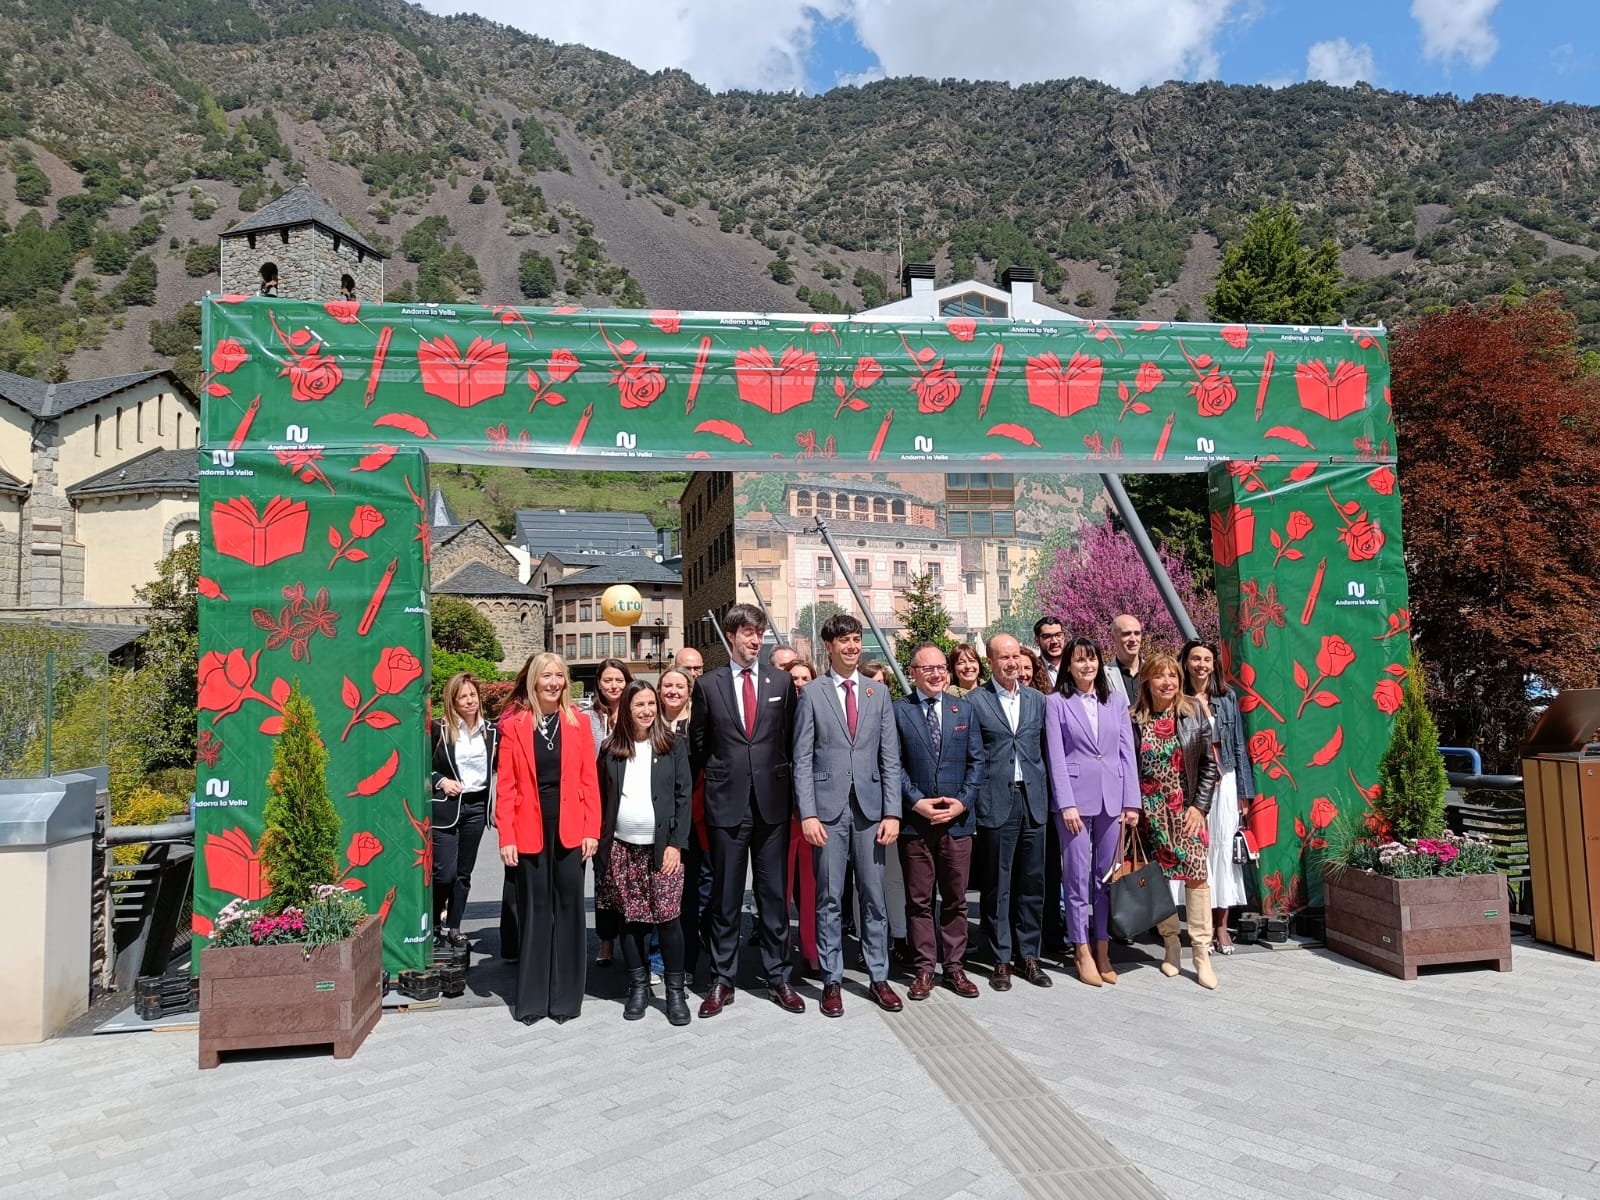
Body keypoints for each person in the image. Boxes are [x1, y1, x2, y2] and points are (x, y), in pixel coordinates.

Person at [688, 603, 806, 1016]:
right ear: (731, 636)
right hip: (727, 805)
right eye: (748, 633)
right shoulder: (709, 685)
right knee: (725, 897)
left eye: (760, 634)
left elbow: (790, 741)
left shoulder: (780, 681)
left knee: (773, 896)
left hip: (772, 805)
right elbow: (699, 745)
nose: (756, 641)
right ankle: (722, 979)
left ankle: (778, 977)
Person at [793, 612, 904, 1016]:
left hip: (872, 812)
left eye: (856, 639)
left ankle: (879, 976)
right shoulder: (812, 694)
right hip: (827, 813)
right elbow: (802, 759)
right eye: (844, 640)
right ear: (829, 646)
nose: (852, 647)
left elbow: (889, 758)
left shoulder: (878, 693)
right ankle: (832, 979)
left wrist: (892, 812)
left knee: (874, 897)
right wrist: (808, 814)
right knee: (829, 898)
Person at [497, 653, 600, 1024]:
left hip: (571, 827)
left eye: (559, 675)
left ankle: (566, 1000)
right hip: (529, 828)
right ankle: (532, 1001)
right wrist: (506, 836)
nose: (554, 682)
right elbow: (506, 786)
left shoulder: (579, 723)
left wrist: (591, 830)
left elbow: (590, 780)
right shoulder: (515, 726)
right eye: (546, 676)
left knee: (570, 910)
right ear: (534, 681)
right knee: (535, 911)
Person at [1043, 639, 1141, 987]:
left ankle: (1102, 947)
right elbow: (1055, 757)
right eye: (1079, 660)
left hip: (1112, 797)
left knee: (1106, 877)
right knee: (1076, 876)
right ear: (1068, 666)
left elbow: (1127, 753)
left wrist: (1132, 801)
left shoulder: (1115, 701)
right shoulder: (1056, 702)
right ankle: (1080, 948)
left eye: (1092, 659)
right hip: (1074, 800)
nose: (1087, 666)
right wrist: (1065, 803)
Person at [596, 681, 693, 1024]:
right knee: (631, 922)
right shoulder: (611, 749)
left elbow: (683, 797)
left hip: (663, 850)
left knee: (668, 921)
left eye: (651, 703)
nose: (647, 710)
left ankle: (675, 992)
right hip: (622, 849)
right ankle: (637, 986)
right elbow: (601, 797)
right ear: (627, 708)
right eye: (639, 704)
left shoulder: (673, 745)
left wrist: (676, 844)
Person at [894, 642, 986, 1000]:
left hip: (957, 822)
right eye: (927, 668)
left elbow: (977, 762)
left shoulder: (964, 709)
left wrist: (962, 803)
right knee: (919, 900)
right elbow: (893, 764)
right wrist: (916, 802)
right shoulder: (898, 711)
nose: (936, 674)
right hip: (915, 823)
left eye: (940, 668)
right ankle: (923, 968)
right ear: (912, 672)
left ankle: (954, 967)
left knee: (955, 899)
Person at [964, 633, 1053, 991]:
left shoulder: (1037, 700)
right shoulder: (974, 702)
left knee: (1032, 882)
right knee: (997, 885)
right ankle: (1000, 958)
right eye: (1004, 657)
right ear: (990, 662)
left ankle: (1029, 955)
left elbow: (1046, 750)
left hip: (1033, 800)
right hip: (996, 801)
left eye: (1016, 656)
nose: (1012, 663)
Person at [1132, 652, 1220, 989]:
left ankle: (1201, 953)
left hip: (1188, 812)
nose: (1167, 682)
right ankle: (1171, 945)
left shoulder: (1193, 712)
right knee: (1160, 879)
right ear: (1147, 681)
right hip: (1151, 813)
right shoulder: (1134, 718)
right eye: (1159, 676)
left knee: (1197, 877)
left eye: (1172, 676)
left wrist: (1200, 807)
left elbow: (1209, 766)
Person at [1180, 638, 1255, 955]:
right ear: (1186, 662)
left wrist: (1244, 792)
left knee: (1223, 851)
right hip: (1192, 784)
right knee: (1198, 852)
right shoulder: (1177, 697)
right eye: (1195, 658)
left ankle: (1221, 926)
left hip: (1225, 782)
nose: (1201, 665)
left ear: (1214, 665)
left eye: (1206, 660)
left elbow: (1238, 744)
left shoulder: (1226, 697)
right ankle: (1202, 927)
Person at [430, 673, 500, 950]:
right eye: (463, 697)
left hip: (477, 806)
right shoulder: (439, 729)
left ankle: (454, 926)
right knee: (443, 873)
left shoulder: (491, 731)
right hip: (446, 808)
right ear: (453, 701)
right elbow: (422, 765)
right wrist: (441, 781)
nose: (469, 701)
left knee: (463, 873)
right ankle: (434, 922)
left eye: (473, 695)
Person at [586, 658, 633, 968]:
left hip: (631, 803)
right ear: (599, 684)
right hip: (599, 805)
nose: (614, 685)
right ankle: (606, 940)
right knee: (603, 876)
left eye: (619, 680)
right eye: (608, 680)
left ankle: (633, 939)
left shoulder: (637, 712)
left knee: (632, 877)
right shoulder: (588, 718)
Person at [786, 658, 820, 973]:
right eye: (793, 678)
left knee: (811, 890)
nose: (798, 683)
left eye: (804, 678)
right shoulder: (776, 714)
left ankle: (811, 949)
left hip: (812, 814)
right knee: (779, 892)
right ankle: (780, 951)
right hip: (781, 815)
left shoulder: (820, 711)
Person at [1110, 615, 1145, 706]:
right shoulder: (1104, 676)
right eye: (1127, 634)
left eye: (1137, 633)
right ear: (1113, 638)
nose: (1133, 639)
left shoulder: (1153, 671)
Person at [1033, 617, 1067, 689]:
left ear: (1064, 636)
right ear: (1037, 640)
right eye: (1047, 636)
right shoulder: (1033, 669)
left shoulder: (1073, 666)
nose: (1054, 641)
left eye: (1058, 635)